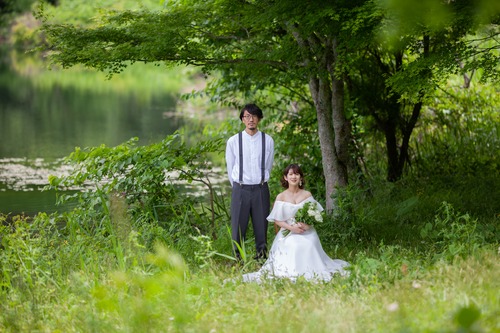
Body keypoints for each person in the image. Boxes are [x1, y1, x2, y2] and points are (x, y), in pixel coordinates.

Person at [242, 164, 349, 282]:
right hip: (288, 231)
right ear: (285, 178)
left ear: (301, 178)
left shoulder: (307, 194)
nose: (294, 177)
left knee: (309, 244)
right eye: (291, 174)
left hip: (306, 230)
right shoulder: (281, 196)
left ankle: (312, 270)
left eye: (297, 174)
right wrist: (291, 228)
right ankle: (294, 272)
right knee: (293, 245)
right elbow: (277, 220)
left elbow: (315, 215)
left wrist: (307, 225)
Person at [226, 103, 275, 260]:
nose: (251, 119)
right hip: (240, 189)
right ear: (242, 119)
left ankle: (261, 258)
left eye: (254, 116)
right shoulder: (233, 141)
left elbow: (268, 165)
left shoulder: (268, 140)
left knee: (261, 226)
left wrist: (260, 181)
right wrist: (237, 188)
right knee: (238, 228)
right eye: (247, 116)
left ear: (259, 118)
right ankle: (238, 260)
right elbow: (230, 167)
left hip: (261, 189)